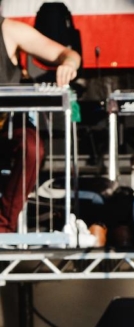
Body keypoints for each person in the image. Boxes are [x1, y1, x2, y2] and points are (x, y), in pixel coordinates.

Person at [0, 15, 80, 233]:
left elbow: (68, 54)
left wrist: (69, 64)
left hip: (6, 128)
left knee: (32, 148)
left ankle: (3, 227)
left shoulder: (10, 31)